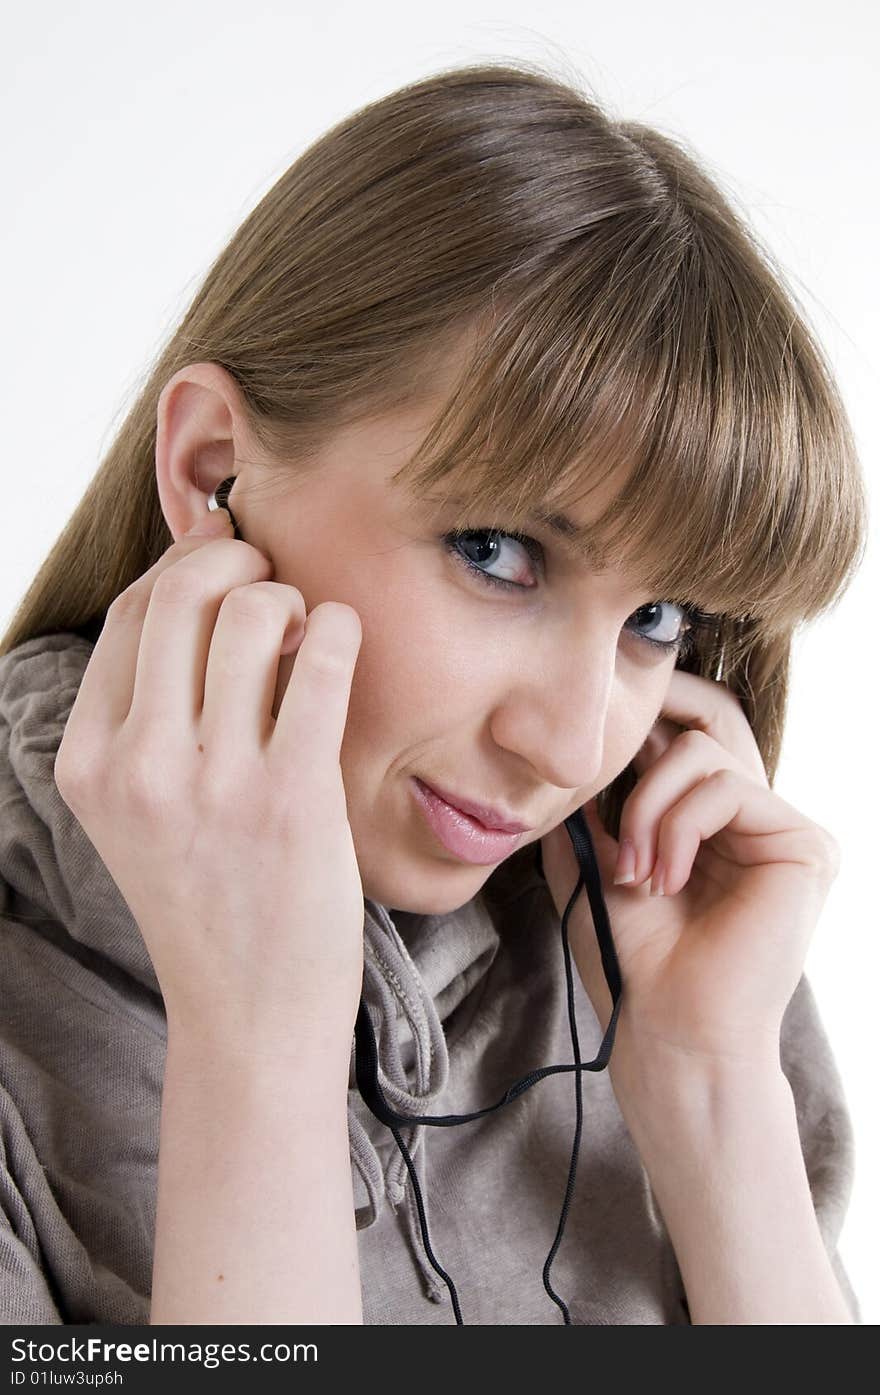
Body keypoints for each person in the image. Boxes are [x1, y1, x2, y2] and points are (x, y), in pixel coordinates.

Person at [0, 59, 866, 1326]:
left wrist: (712, 1090)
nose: (572, 743)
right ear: (211, 469)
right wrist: (258, 1055)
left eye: (658, 620)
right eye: (496, 552)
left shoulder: (660, 965)